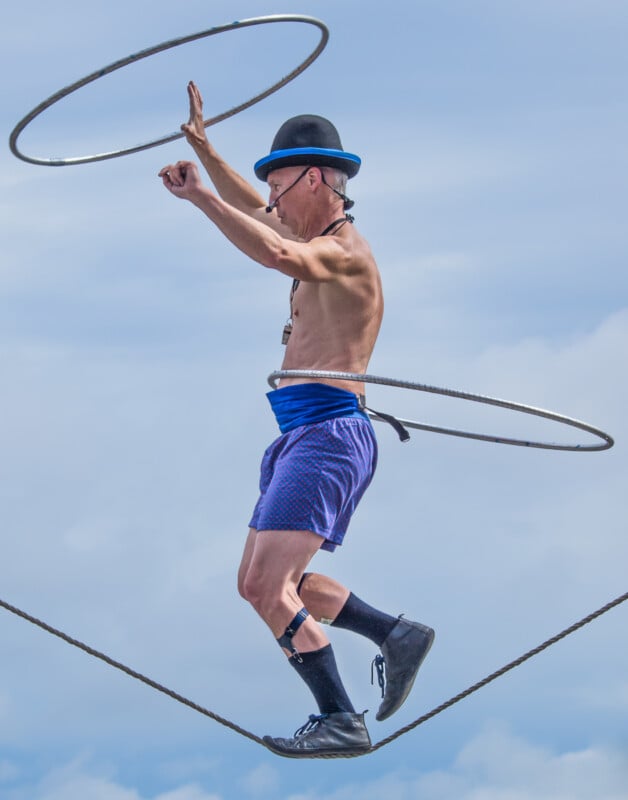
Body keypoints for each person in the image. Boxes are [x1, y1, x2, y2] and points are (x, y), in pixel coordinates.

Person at [159, 82, 434, 758]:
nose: (272, 202)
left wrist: (200, 198)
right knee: (259, 582)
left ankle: (340, 717)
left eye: (279, 188)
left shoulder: (343, 253)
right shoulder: (313, 231)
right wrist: (206, 151)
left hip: (330, 434)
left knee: (267, 586)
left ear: (315, 179)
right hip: (302, 434)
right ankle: (394, 634)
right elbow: (262, 216)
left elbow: (276, 251)